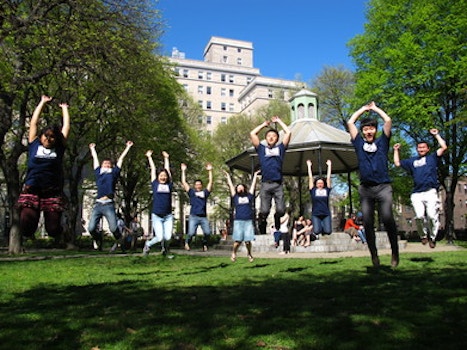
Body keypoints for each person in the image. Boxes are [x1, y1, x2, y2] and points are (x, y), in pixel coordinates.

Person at [347, 101, 399, 268]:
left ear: (375, 130)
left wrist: (375, 109)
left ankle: (394, 252)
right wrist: (363, 109)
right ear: (362, 132)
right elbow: (350, 122)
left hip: (383, 187)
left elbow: (388, 120)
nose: (369, 131)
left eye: (371, 129)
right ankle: (374, 255)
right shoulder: (359, 144)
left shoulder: (382, 142)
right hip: (366, 189)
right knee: (367, 222)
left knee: (387, 218)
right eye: (366, 129)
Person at [17, 95, 70, 246]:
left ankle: (64, 231)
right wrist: (42, 102)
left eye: (52, 137)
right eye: (46, 136)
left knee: (52, 229)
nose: (48, 139)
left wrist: (65, 110)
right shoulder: (34, 144)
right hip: (32, 188)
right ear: (41, 137)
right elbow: (33, 123)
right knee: (26, 228)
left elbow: (66, 128)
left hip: (51, 191)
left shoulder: (59, 149)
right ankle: (27, 235)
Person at [393, 129, 448, 248]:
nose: (421, 149)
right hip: (417, 193)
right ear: (417, 149)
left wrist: (436, 135)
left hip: (430, 192)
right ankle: (423, 236)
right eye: (419, 147)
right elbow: (397, 163)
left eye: (423, 147)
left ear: (427, 149)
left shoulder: (432, 158)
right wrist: (396, 150)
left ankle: (432, 237)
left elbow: (443, 147)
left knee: (432, 216)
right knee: (419, 216)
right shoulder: (412, 161)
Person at [87, 140, 133, 251]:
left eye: (109, 164)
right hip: (98, 204)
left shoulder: (114, 173)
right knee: (91, 228)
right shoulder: (98, 172)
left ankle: (120, 241)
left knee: (113, 228)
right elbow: (95, 159)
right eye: (105, 164)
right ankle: (98, 239)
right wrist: (92, 149)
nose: (107, 165)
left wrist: (127, 147)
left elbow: (121, 160)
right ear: (102, 166)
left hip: (108, 205)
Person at [250, 116, 291, 236]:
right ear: (266, 139)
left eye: (274, 136)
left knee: (281, 210)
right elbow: (253, 133)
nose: (271, 137)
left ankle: (277, 217)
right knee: (264, 210)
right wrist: (263, 125)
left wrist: (279, 121)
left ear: (277, 138)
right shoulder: (261, 149)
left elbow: (288, 132)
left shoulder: (281, 148)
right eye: (268, 136)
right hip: (265, 184)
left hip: (278, 184)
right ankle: (261, 222)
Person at [223, 170, 260, 262]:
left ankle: (249, 254)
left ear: (244, 188)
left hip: (248, 221)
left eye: (241, 187)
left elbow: (253, 186)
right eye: (238, 188)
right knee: (238, 241)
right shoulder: (235, 197)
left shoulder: (249, 196)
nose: (239, 189)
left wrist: (255, 175)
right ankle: (234, 253)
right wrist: (227, 176)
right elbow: (231, 186)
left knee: (248, 241)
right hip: (238, 221)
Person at [143, 151, 174, 256]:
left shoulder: (169, 185)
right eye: (161, 175)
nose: (163, 177)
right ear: (158, 176)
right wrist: (149, 157)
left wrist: (166, 158)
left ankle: (164, 251)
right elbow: (152, 169)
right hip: (157, 215)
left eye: (164, 176)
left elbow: (168, 170)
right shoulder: (155, 184)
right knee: (159, 237)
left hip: (168, 215)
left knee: (168, 237)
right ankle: (148, 244)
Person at [181, 162, 213, 251]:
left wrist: (210, 171)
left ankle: (204, 244)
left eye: (199, 184)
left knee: (207, 232)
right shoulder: (192, 193)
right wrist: (183, 171)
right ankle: (187, 243)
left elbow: (210, 182)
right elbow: (184, 182)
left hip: (203, 217)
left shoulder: (205, 193)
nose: (198, 186)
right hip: (193, 216)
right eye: (196, 184)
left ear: (201, 186)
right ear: (195, 186)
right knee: (191, 233)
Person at [307, 159, 333, 238]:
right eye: (318, 183)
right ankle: (320, 226)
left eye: (321, 183)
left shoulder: (326, 190)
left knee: (328, 231)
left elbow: (328, 178)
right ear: (316, 184)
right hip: (316, 214)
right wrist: (309, 166)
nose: (320, 184)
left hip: (326, 213)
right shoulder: (313, 190)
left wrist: (329, 166)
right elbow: (310, 178)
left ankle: (323, 225)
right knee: (316, 231)